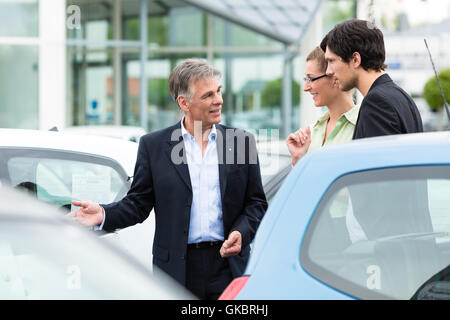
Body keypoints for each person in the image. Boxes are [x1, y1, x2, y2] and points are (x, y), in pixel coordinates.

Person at [69, 58, 268, 300]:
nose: (218, 100)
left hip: (229, 268)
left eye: (218, 91)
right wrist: (104, 214)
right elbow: (138, 204)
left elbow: (256, 203)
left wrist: (241, 232)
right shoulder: (154, 146)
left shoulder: (241, 142)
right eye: (208, 95)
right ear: (184, 102)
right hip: (177, 271)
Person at [320, 18, 423, 139]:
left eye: (331, 61)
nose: (328, 71)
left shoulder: (376, 102)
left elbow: (377, 158)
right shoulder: (402, 97)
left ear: (355, 60)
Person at [286, 46, 359, 166]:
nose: (305, 88)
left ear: (335, 77)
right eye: (306, 79)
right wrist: (299, 159)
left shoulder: (363, 126)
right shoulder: (313, 131)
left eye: (311, 79)